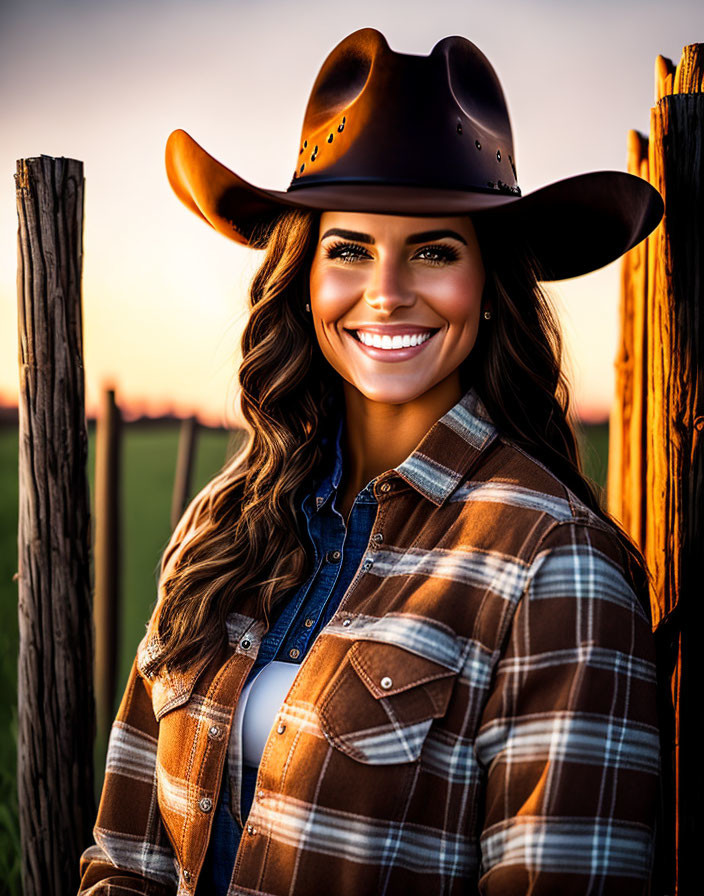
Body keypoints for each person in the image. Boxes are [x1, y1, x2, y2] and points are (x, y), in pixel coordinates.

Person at [78, 27, 664, 896]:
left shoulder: (555, 567)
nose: (386, 290)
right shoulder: (223, 526)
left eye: (434, 250)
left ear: (489, 289)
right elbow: (124, 856)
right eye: (349, 248)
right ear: (305, 279)